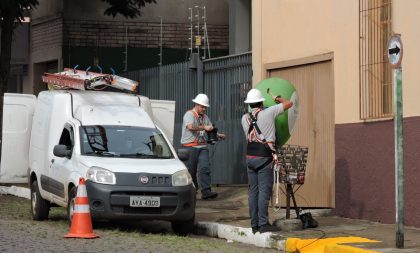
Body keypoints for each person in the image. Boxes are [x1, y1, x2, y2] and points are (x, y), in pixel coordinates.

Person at [241, 88, 293, 234]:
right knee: (264, 191)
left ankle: (254, 225)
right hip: (264, 157)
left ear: (250, 104)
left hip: (250, 157)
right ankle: (263, 224)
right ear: (261, 102)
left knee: (253, 192)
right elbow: (290, 103)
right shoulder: (269, 112)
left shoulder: (244, 118)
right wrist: (278, 99)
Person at [181, 94, 225, 200]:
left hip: (202, 146)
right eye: (202, 106)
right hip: (189, 146)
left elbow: (209, 129)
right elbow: (191, 127)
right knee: (191, 170)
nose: (204, 109)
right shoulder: (189, 114)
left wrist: (218, 135)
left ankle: (206, 191)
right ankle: (193, 189)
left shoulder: (205, 117)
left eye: (205, 107)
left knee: (205, 168)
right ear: (196, 104)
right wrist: (204, 127)